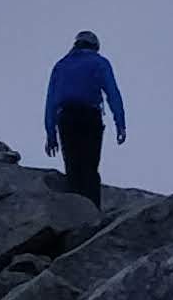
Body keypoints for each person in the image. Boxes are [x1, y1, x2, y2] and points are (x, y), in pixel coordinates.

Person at [44, 31, 128, 206]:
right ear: (95, 47)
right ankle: (92, 211)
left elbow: (51, 100)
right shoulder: (99, 62)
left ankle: (74, 212)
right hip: (90, 117)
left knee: (73, 168)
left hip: (66, 118)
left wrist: (51, 134)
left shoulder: (61, 65)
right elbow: (112, 93)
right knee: (90, 167)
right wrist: (120, 124)